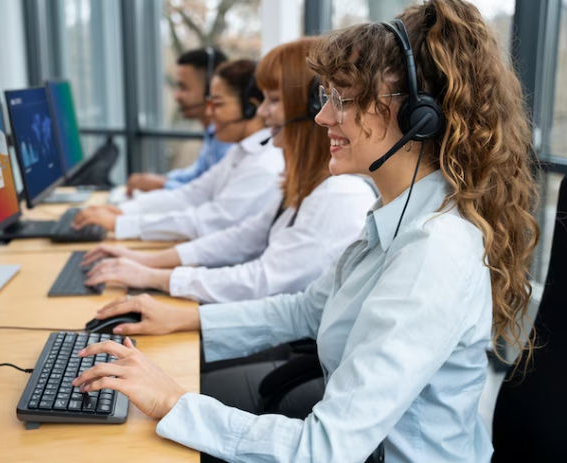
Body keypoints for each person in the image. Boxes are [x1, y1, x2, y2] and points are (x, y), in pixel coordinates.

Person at [71, 1, 540, 461]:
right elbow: (307, 308)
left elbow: (325, 449)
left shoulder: (432, 252)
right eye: (326, 98)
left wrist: (173, 403)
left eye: (344, 99)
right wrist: (184, 319)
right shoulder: (395, 216)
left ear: (419, 116)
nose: (323, 118)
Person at [79, 38, 376, 304]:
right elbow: (242, 236)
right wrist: (145, 262)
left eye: (272, 101)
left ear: (311, 110)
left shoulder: (337, 195)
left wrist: (154, 275)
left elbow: (262, 279)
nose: (261, 112)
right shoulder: (302, 184)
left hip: (279, 341)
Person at [72, 60, 284, 240]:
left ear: (251, 107)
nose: (209, 113)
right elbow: (190, 195)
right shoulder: (241, 151)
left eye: (217, 104)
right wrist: (122, 211)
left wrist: (122, 223)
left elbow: (210, 222)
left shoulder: (263, 164)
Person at [127, 48, 233, 194]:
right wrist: (161, 180)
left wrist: (161, 185)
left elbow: (210, 194)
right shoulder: (212, 132)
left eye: (183, 87)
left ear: (211, 90)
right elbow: (196, 175)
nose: (176, 96)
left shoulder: (229, 140)